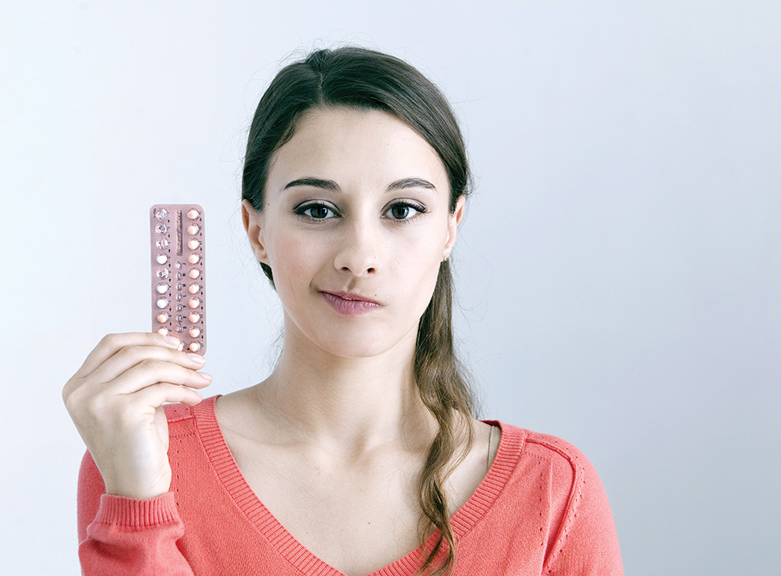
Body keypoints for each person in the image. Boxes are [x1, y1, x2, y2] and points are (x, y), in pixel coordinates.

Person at [62, 46, 624, 576]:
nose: (359, 257)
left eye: (403, 209)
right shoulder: (142, 458)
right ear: (257, 231)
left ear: (451, 227)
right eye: (317, 209)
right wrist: (137, 507)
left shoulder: (551, 490)